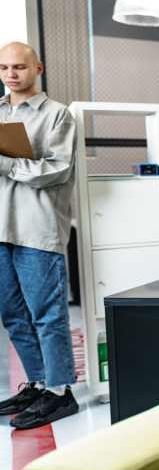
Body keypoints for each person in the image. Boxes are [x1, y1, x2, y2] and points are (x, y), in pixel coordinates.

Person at [0, 41, 79, 429]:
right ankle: (37, 383)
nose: (11, 74)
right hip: (0, 228)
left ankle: (61, 392)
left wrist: (7, 164)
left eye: (19, 67)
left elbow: (57, 169)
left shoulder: (57, 115)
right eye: (4, 68)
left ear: (38, 68)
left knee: (47, 316)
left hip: (37, 228)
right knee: (13, 314)